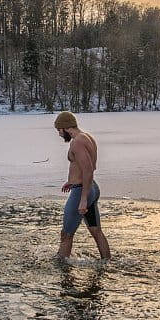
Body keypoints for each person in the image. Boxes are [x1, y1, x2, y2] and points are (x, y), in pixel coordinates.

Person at [54, 111, 111, 260]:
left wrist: (83, 198)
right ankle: (107, 262)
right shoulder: (87, 137)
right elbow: (83, 167)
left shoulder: (77, 142)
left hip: (82, 191)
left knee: (66, 234)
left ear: (64, 127)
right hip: (90, 187)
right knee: (96, 231)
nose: (59, 134)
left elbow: (88, 169)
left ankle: (62, 273)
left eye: (58, 130)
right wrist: (71, 181)